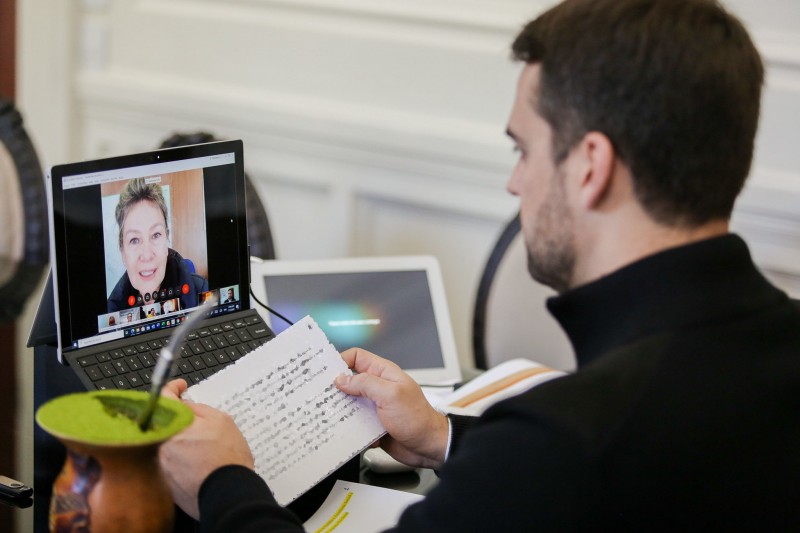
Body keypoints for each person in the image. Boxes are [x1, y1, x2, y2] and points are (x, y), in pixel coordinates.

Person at [159, 0, 800, 530]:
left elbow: (557, 467)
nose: (515, 183)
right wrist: (443, 437)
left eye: (524, 151)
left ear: (590, 167)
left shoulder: (564, 442)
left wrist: (223, 483)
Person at [107, 177, 208, 312]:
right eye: (134, 240)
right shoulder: (111, 313)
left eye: (155, 235)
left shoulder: (202, 293)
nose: (147, 255)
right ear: (123, 251)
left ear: (166, 238)